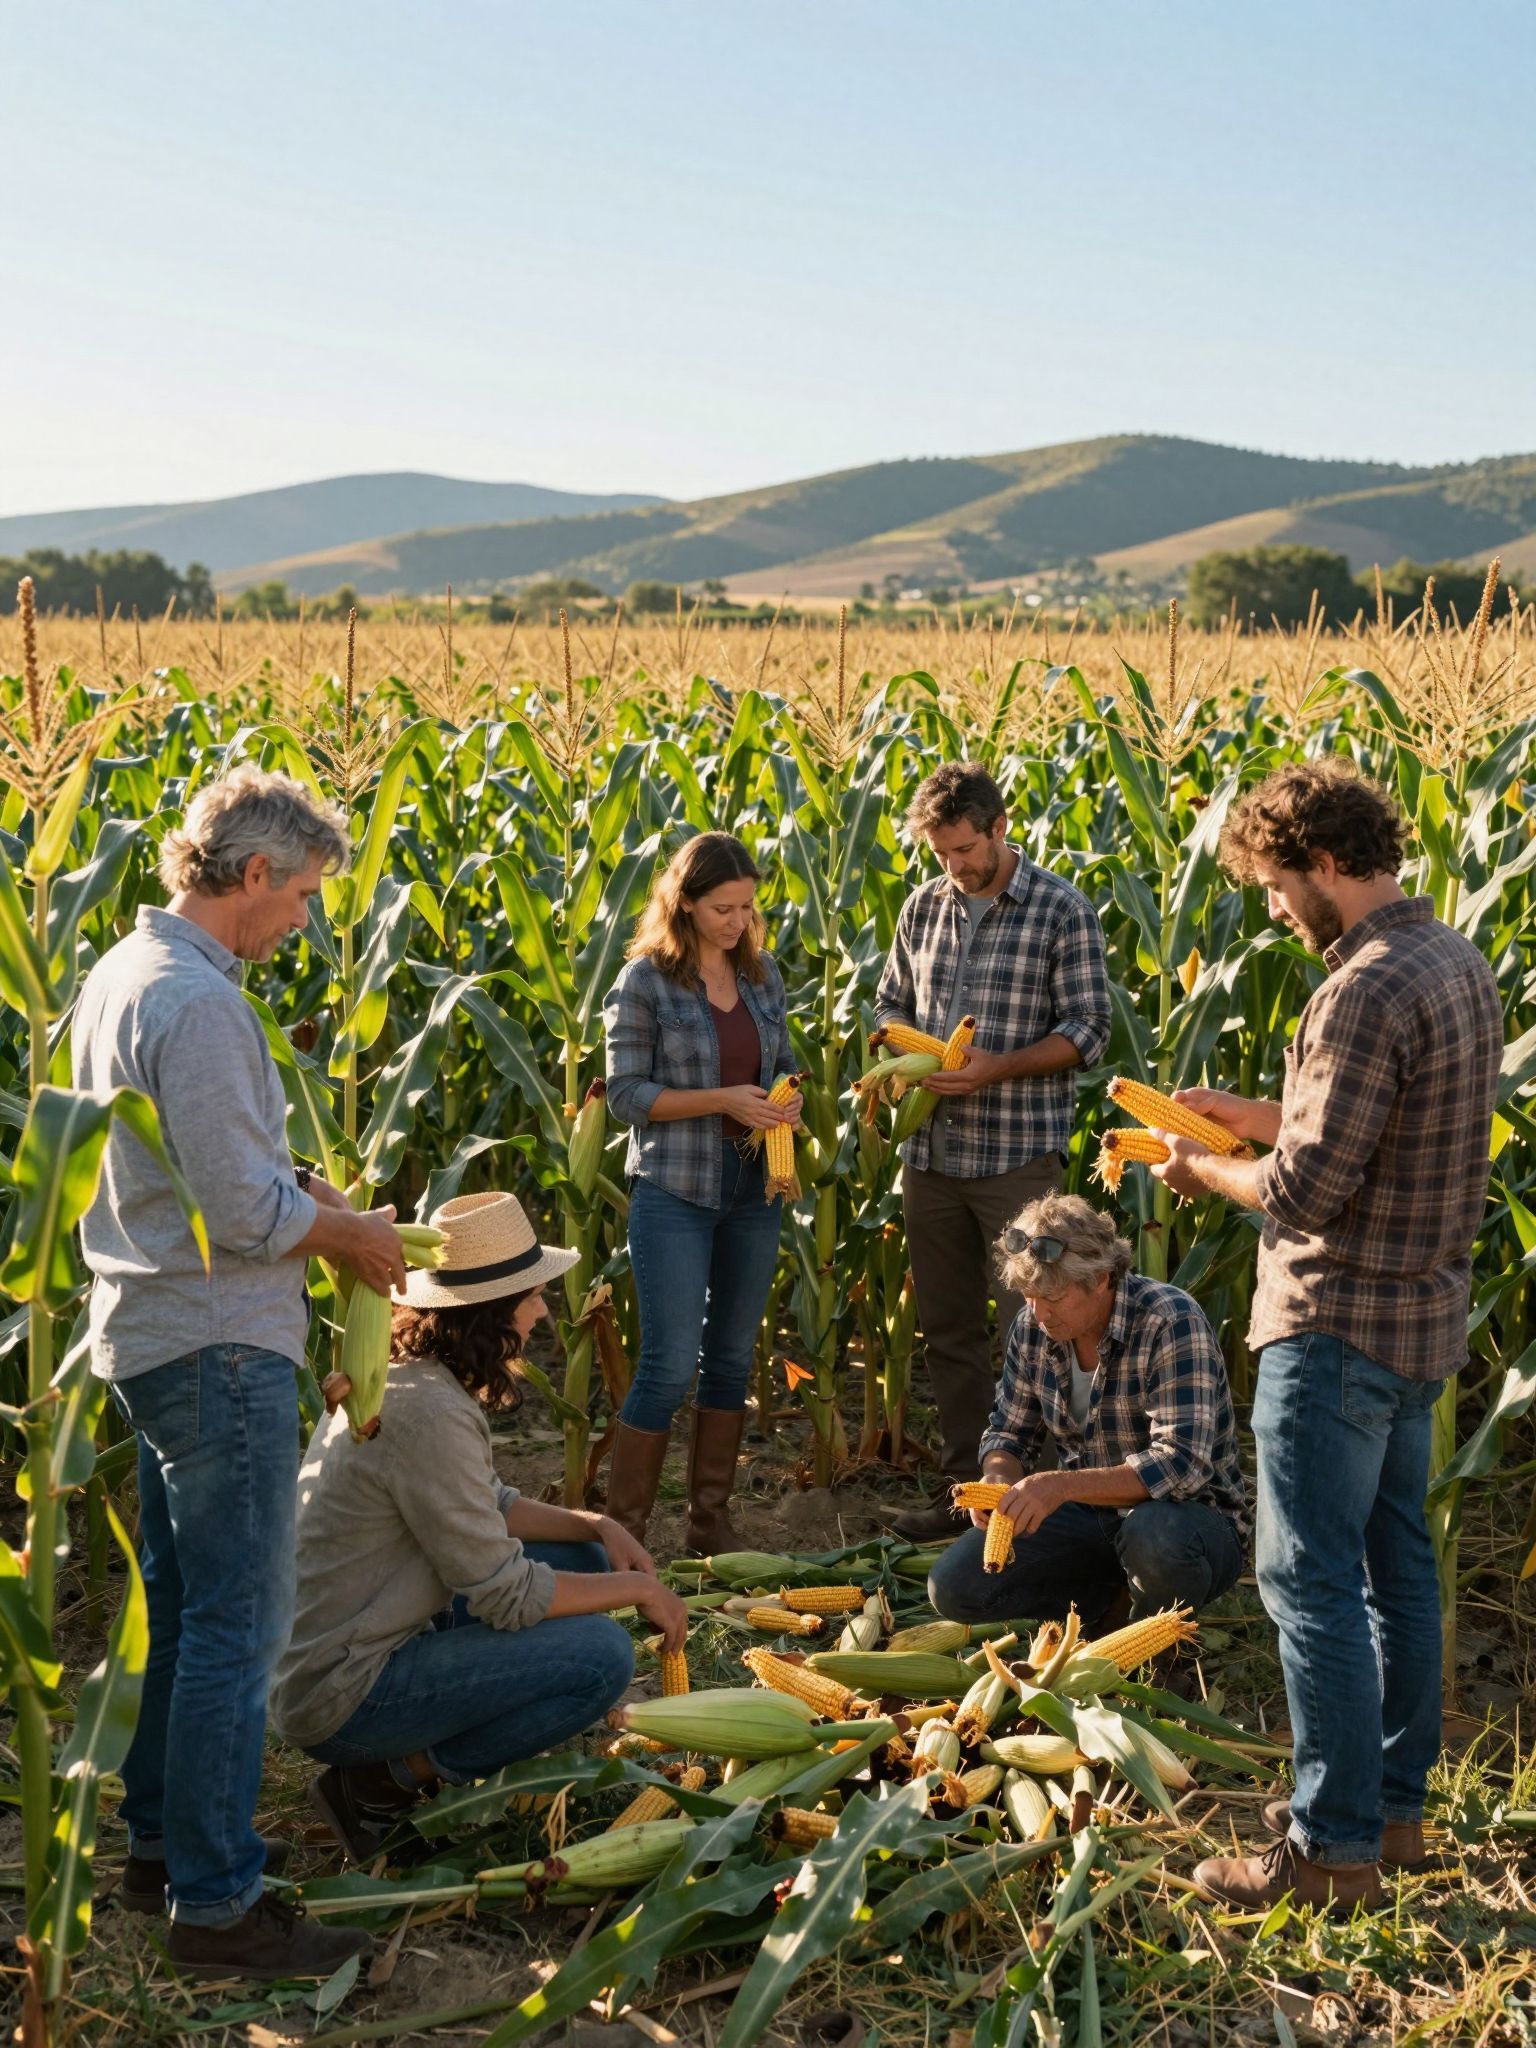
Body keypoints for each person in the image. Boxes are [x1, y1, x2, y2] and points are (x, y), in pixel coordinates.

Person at [1143, 762, 1503, 1914]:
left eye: (1275, 884)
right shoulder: (1451, 959)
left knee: (1307, 1582)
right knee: (1400, 1571)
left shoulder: (1356, 990)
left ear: (1328, 865)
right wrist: (1255, 1114)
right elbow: (1378, 1134)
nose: (1272, 908)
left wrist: (1204, 1166)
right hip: (1420, 1323)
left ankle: (1328, 1843)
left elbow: (1302, 1193)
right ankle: (1392, 1811)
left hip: (1335, 1323)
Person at [73, 765, 405, 1979]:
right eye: (306, 894)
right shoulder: (201, 1002)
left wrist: (309, 1194)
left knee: (180, 1604)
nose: (309, 920)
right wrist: (351, 1235)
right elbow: (235, 1206)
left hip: (149, 1336)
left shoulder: (128, 970)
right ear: (252, 875)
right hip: (218, 1343)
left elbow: (212, 1166)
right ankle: (218, 1906)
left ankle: (161, 1844)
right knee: (236, 1624)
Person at [270, 1191, 685, 1860]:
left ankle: (401, 1760)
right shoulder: (427, 1413)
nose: (544, 1309)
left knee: (587, 1564)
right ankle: (381, 1783)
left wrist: (598, 1526)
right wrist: (641, 1593)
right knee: (599, 1659)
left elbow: (486, 1505)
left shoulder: (413, 1380)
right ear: (492, 1313)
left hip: (366, 1635)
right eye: (532, 1295)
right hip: (343, 1692)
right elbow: (507, 1594)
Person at [876, 763, 1112, 1539]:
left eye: (967, 849)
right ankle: (968, 1497)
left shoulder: (1059, 911)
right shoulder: (923, 908)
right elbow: (890, 1004)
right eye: (942, 853)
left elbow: (1087, 1031)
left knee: (1035, 1328)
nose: (956, 866)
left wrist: (996, 1067)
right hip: (932, 1159)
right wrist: (890, 1060)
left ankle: (1039, 1506)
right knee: (948, 1331)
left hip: (1016, 1161)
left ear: (1001, 827)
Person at [928, 1194, 1247, 1665]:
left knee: (1156, 1537)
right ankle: (1105, 1607)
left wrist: (1060, 1486)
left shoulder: (1170, 1321)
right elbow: (1009, 1433)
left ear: (1101, 1279)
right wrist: (997, 1478)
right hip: (1088, 1516)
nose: (1039, 1313)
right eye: (1030, 1297)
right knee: (954, 1587)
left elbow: (1181, 1465)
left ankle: (1163, 1657)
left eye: (1053, 1298)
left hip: (1189, 1519)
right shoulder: (1033, 1328)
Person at [602, 832, 801, 1552]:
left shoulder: (761, 975)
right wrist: (725, 1101)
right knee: (669, 1360)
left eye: (748, 907)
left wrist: (787, 1098)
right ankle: (624, 1536)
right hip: (675, 1191)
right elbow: (626, 1095)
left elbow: (783, 1062)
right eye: (723, 908)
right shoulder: (644, 982)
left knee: (731, 1358)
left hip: (755, 1187)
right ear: (682, 903)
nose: (738, 921)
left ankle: (708, 1526)